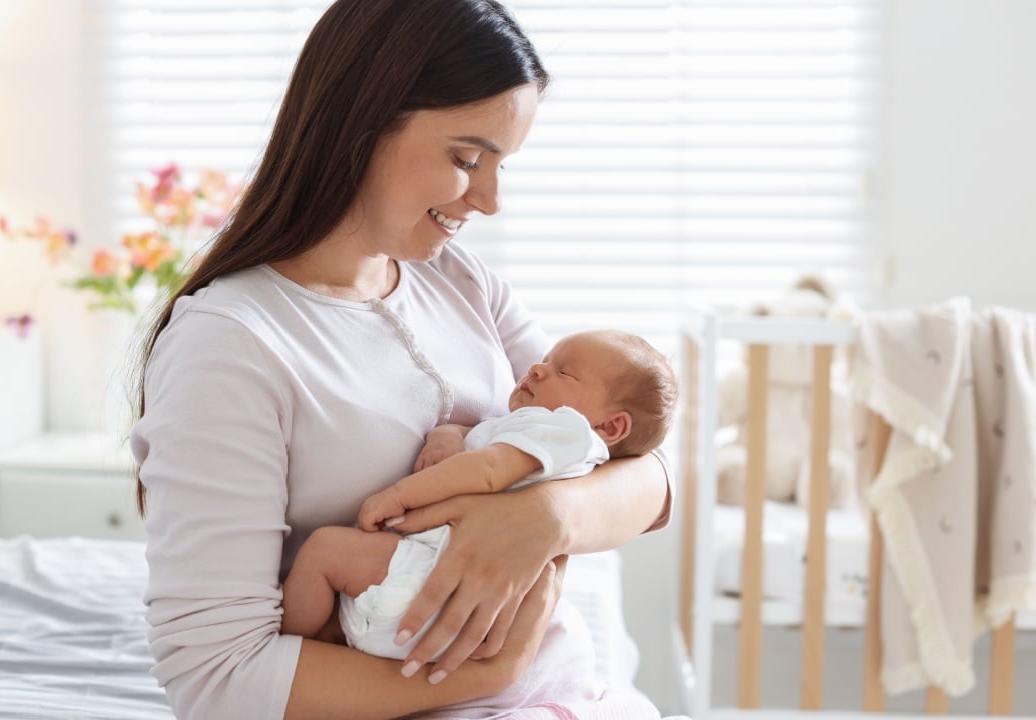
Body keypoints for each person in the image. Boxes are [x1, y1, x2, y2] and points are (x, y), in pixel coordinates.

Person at [128, 1, 675, 718]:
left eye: (501, 165)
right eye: (466, 158)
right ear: (359, 123)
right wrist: (487, 676)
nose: (490, 199)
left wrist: (546, 518)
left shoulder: (463, 283)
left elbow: (653, 477)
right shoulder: (232, 344)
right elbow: (218, 680)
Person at [281, 330, 678, 661]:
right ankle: (326, 643)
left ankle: (286, 649)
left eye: (564, 372)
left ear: (610, 427)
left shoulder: (566, 431)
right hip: (447, 603)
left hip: (433, 576)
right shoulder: (545, 440)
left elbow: (487, 471)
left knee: (324, 552)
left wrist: (397, 496)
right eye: (544, 359)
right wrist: (449, 434)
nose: (536, 369)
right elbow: (483, 446)